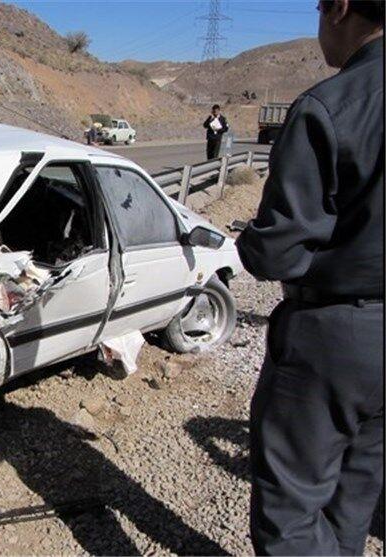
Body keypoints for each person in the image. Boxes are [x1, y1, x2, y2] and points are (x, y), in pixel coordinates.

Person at [235, 0, 384, 554]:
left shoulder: (331, 104)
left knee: (292, 506)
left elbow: (277, 253)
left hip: (333, 334)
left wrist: (246, 242)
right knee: (356, 489)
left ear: (342, 7)